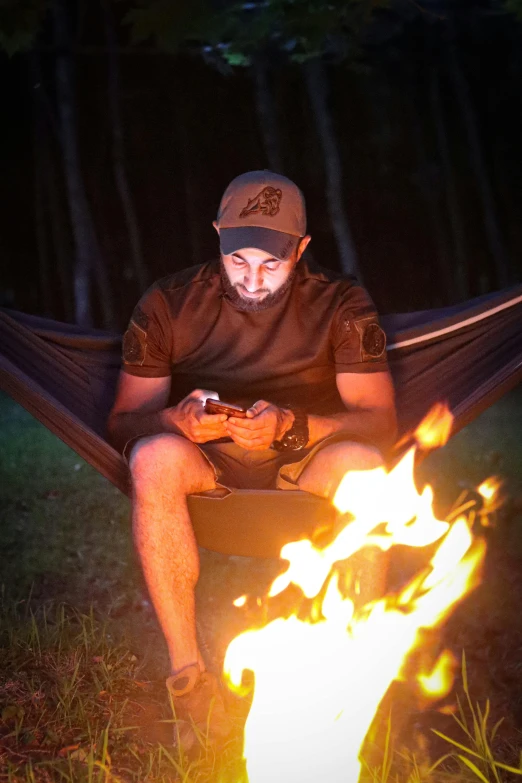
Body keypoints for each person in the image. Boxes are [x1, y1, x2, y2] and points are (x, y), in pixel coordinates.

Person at [107, 170, 397, 748]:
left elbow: (381, 423)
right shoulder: (168, 304)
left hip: (306, 455)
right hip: (206, 458)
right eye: (238, 260)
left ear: (302, 249)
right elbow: (122, 423)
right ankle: (188, 681)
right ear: (217, 236)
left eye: (272, 263)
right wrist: (175, 419)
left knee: (367, 469)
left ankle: (356, 684)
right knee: (152, 459)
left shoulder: (341, 303)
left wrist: (292, 425)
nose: (253, 278)